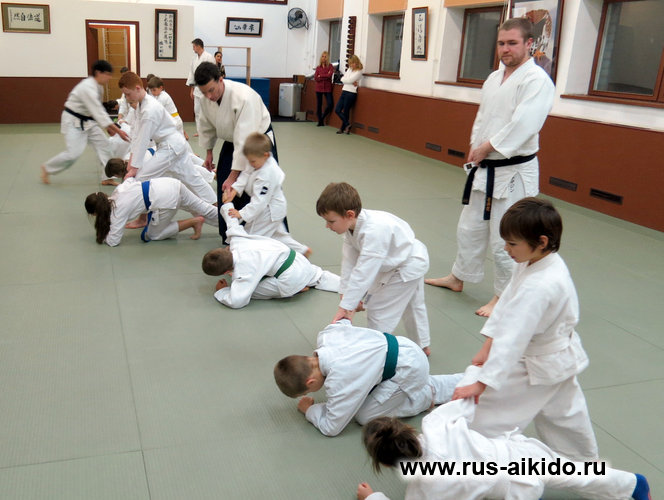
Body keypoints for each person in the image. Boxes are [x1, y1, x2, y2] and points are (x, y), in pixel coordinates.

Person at [425, 18, 555, 318]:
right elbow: (483, 118)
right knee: (469, 228)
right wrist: (476, 148)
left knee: (507, 236)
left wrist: (487, 147)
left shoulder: (536, 80)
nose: (505, 49)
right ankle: (458, 277)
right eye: (501, 43)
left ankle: (504, 296)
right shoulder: (494, 78)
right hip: (485, 167)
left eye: (512, 43)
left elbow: (524, 124)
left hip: (514, 171)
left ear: (529, 44)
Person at [451, 198, 598, 462]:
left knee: (487, 417)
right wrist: (487, 345)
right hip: (557, 358)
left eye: (512, 243)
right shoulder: (537, 260)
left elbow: (512, 339)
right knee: (567, 419)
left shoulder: (540, 285)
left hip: (538, 361)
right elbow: (506, 303)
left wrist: (482, 383)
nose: (505, 249)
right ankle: (590, 469)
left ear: (541, 241)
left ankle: (468, 461)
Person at [358, 370, 651, 500]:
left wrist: (372, 497)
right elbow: (467, 401)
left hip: (514, 492)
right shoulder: (435, 422)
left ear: (384, 463)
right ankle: (633, 484)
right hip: (521, 456)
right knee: (578, 474)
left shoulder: (423, 490)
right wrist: (476, 374)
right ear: (407, 429)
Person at [274, 320, 463, 437]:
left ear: (310, 382)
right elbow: (343, 322)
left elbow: (332, 427)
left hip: (409, 370)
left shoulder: (339, 379)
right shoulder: (327, 336)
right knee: (360, 398)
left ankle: (425, 394)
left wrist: (309, 410)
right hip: (405, 347)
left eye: (307, 391)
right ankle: (467, 380)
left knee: (364, 416)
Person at [316, 182, 431, 354]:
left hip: (408, 264)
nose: (327, 226)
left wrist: (347, 306)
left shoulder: (374, 231)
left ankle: (374, 352)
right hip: (400, 258)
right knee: (413, 304)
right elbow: (349, 262)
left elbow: (364, 271)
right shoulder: (352, 226)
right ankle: (422, 346)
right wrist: (345, 296)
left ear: (349, 214)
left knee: (378, 311)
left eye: (331, 221)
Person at [194, 61, 279, 240]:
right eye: (204, 92)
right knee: (224, 182)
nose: (209, 96)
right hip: (233, 140)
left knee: (255, 185)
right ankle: (230, 235)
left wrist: (234, 176)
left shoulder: (244, 97)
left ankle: (257, 236)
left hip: (257, 141)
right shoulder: (204, 98)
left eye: (211, 90)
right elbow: (205, 125)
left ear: (220, 79)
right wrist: (209, 152)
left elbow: (244, 140)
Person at [202, 204, 339, 309]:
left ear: (226, 272)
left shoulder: (243, 271)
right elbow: (231, 221)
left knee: (247, 290)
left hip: (290, 279)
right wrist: (227, 203)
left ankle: (296, 288)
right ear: (224, 250)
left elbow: (237, 301)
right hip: (299, 260)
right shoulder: (237, 240)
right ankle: (341, 285)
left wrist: (222, 292)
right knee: (320, 276)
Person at [118, 71, 216, 207]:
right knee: (193, 179)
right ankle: (216, 206)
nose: (127, 98)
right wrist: (132, 161)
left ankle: (132, 211)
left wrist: (134, 167)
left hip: (170, 147)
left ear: (138, 88)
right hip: (174, 145)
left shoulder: (149, 109)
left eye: (128, 94)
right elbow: (136, 135)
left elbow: (142, 140)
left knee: (140, 178)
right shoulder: (141, 105)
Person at [40, 60, 129, 185]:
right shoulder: (87, 87)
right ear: (98, 73)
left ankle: (107, 177)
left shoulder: (99, 87)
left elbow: (97, 111)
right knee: (73, 154)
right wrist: (118, 131)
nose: (109, 77)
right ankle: (47, 168)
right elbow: (98, 112)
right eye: (107, 74)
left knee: (105, 146)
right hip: (73, 121)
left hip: (89, 121)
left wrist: (108, 127)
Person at [223, 132, 308, 253]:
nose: (251, 164)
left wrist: (241, 214)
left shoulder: (267, 174)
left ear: (266, 155)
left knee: (251, 236)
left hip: (269, 211)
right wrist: (235, 189)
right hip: (271, 207)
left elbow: (259, 202)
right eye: (249, 161)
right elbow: (246, 173)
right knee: (277, 236)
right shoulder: (257, 159)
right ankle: (302, 250)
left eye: (253, 161)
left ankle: (241, 255)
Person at [84, 177, 218, 247]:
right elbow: (130, 179)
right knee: (204, 208)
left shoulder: (117, 212)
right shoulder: (118, 191)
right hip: (170, 184)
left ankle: (194, 222)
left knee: (153, 235)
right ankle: (228, 219)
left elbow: (114, 241)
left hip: (165, 199)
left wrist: (105, 236)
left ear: (96, 212)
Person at [186, 38, 215, 136]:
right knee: (197, 111)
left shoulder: (209, 57)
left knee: (206, 111)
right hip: (197, 88)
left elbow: (212, 73)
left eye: (194, 46)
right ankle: (199, 131)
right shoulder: (194, 59)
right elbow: (192, 74)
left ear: (199, 46)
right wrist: (192, 89)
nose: (193, 48)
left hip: (207, 88)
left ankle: (208, 130)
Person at [334, 54, 363, 134]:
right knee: (337, 110)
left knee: (346, 111)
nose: (351, 65)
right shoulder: (349, 69)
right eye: (350, 63)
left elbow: (349, 80)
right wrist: (347, 80)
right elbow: (342, 79)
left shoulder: (359, 71)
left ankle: (342, 128)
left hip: (351, 93)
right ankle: (347, 124)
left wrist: (347, 80)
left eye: (353, 63)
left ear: (356, 62)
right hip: (344, 90)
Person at [314, 51, 334, 126]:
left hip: (327, 88)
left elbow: (329, 76)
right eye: (322, 56)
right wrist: (325, 75)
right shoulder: (318, 67)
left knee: (330, 104)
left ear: (327, 58)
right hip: (319, 88)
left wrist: (321, 76)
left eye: (325, 57)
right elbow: (316, 78)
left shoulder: (330, 66)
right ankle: (320, 121)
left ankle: (322, 118)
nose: (324, 58)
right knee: (319, 105)